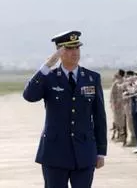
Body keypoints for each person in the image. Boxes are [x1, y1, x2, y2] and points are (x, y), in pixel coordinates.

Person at [23, 30, 107, 188]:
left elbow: (99, 117)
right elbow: (29, 95)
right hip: (54, 153)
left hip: (84, 151)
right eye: (68, 49)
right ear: (59, 52)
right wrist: (47, 65)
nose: (74, 52)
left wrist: (101, 151)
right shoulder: (49, 77)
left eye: (77, 48)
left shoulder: (92, 78)